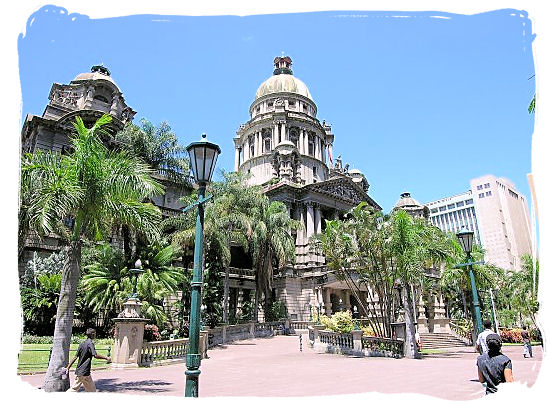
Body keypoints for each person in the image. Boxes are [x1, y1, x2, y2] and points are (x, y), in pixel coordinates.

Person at [66, 328, 111, 392]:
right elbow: (95, 355)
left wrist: (68, 368)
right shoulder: (90, 343)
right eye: (94, 334)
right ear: (92, 334)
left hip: (85, 372)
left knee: (92, 391)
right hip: (83, 372)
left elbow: (75, 357)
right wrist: (106, 358)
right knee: (74, 389)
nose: (95, 335)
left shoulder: (82, 344)